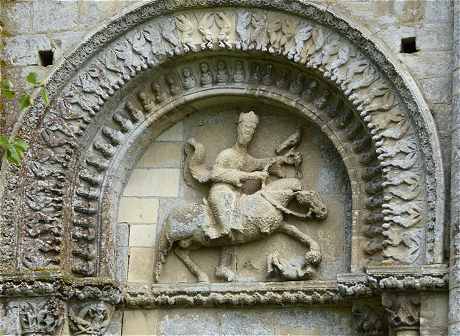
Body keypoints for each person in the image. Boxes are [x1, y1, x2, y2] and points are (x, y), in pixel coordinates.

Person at [207, 111, 284, 239]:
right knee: (226, 227)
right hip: (221, 192)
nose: (248, 133)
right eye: (245, 128)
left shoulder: (246, 158)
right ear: (239, 129)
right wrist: (252, 176)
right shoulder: (226, 154)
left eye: (251, 130)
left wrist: (284, 159)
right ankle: (220, 230)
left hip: (237, 196)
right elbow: (215, 174)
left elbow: (263, 162)